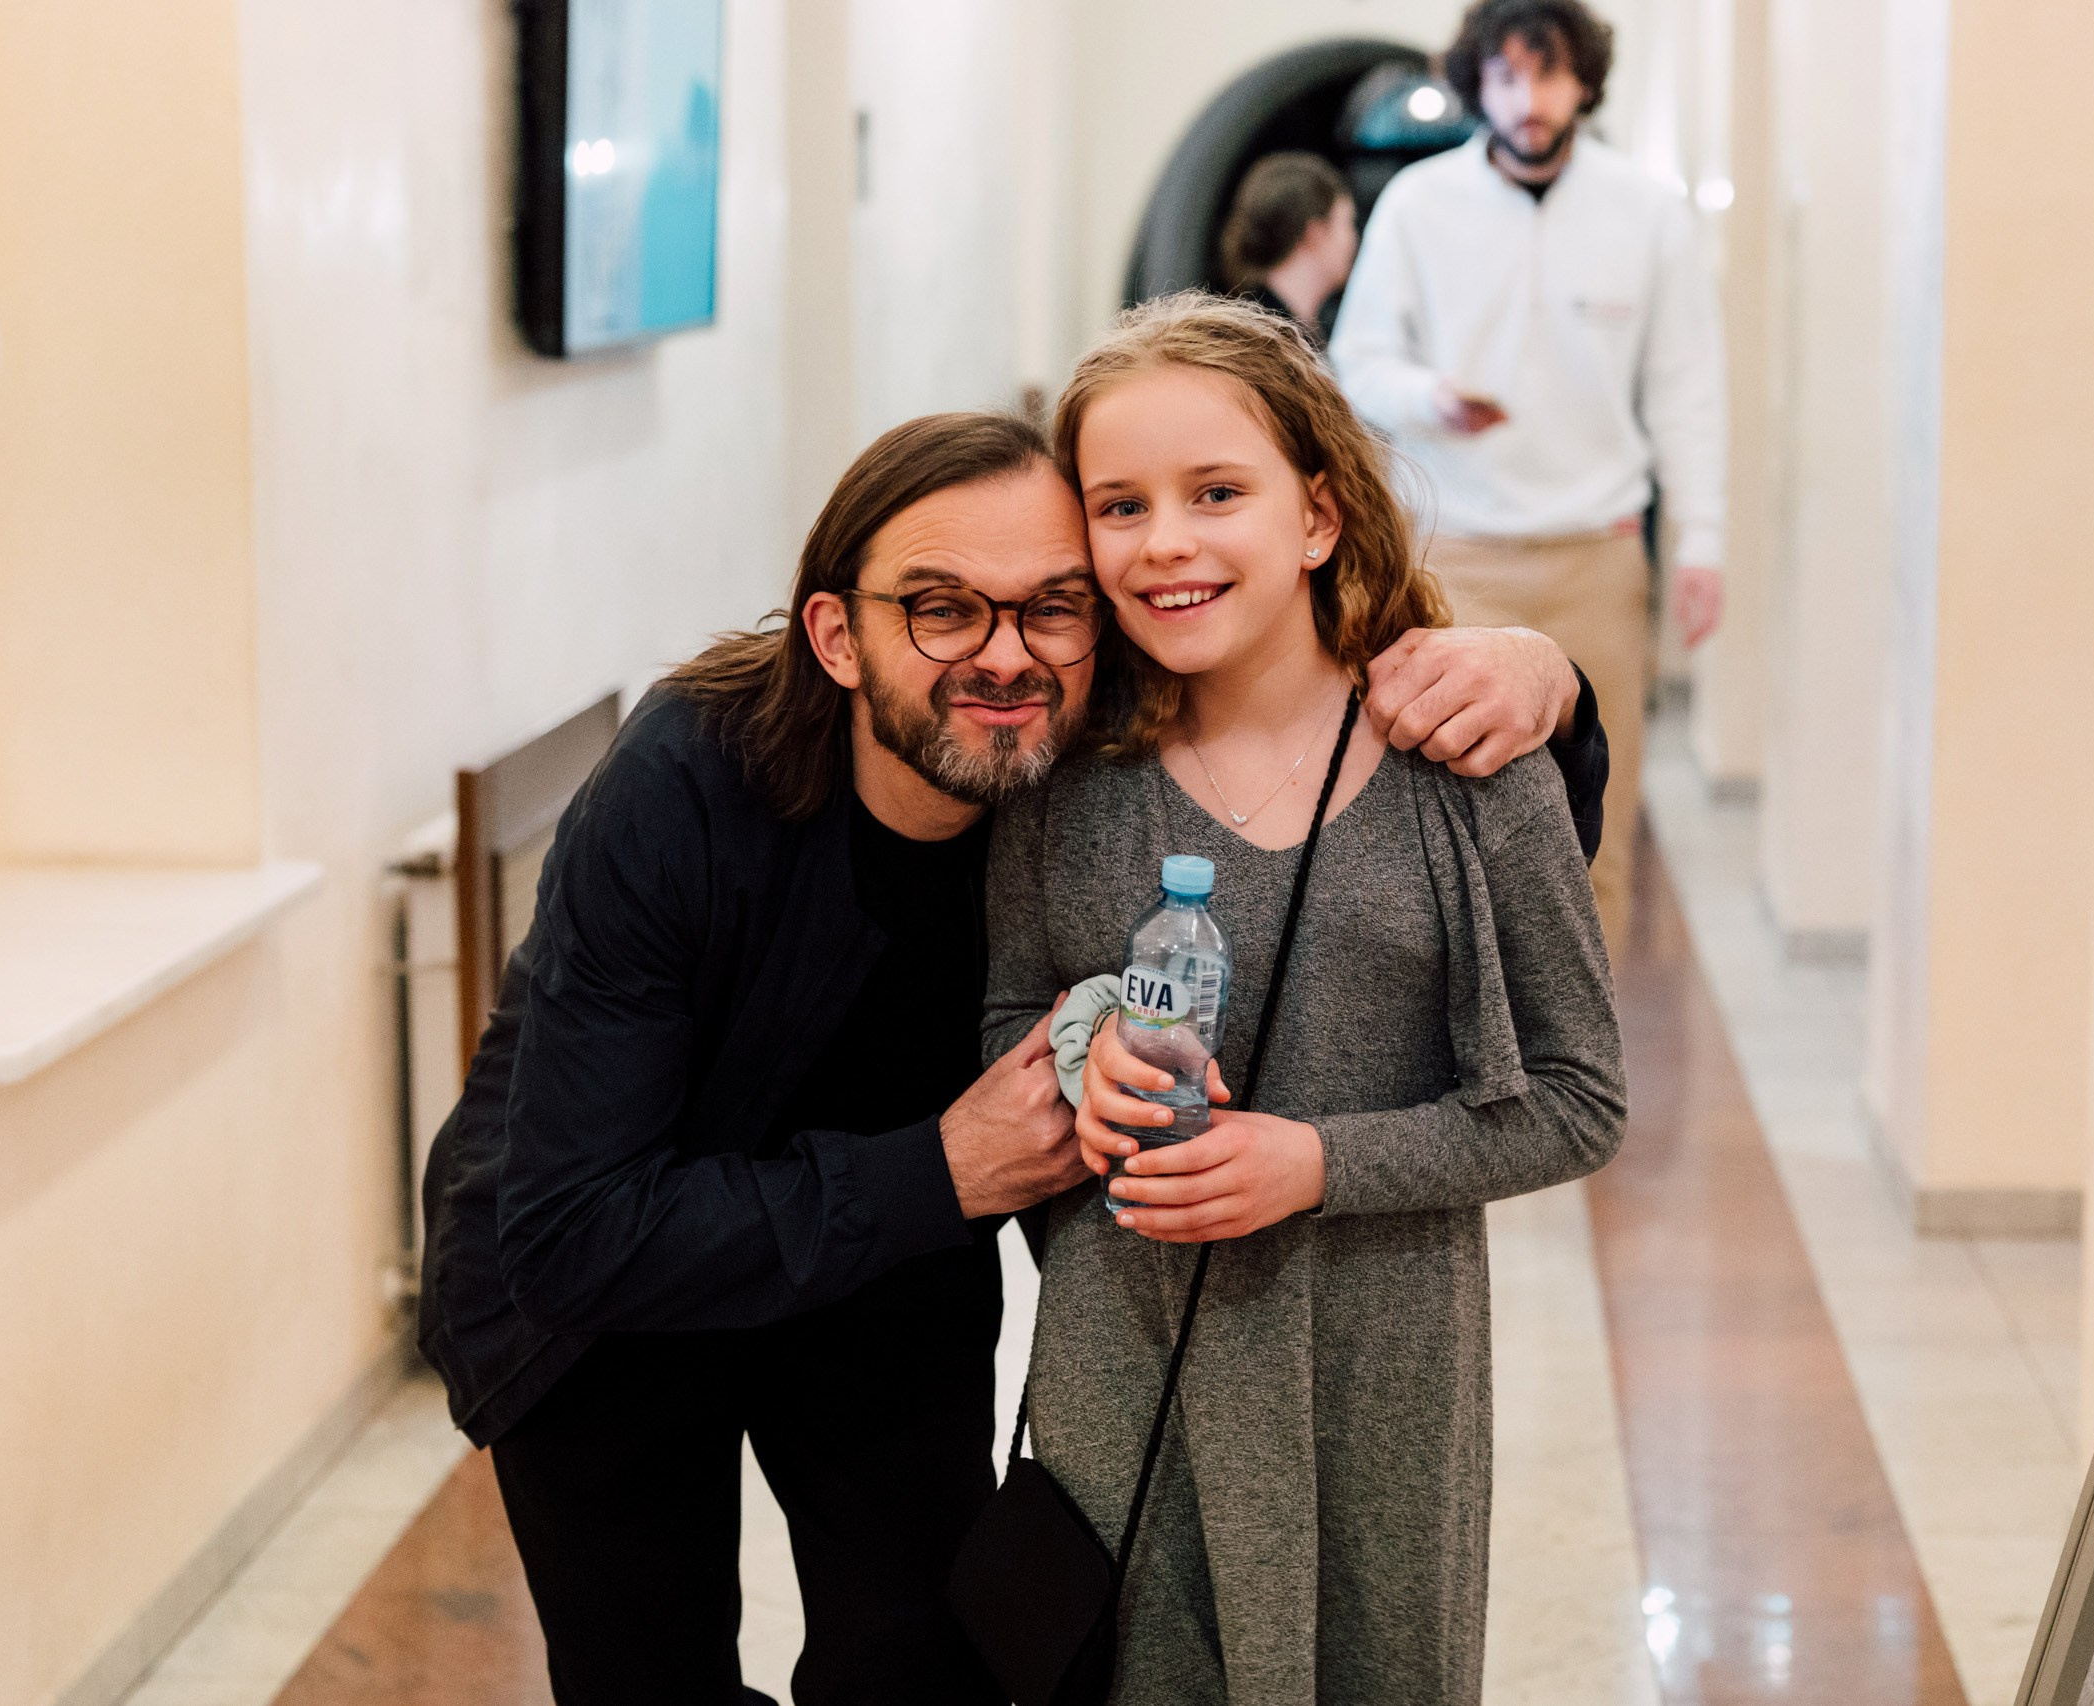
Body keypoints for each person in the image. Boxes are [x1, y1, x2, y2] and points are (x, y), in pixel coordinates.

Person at [416, 411, 1608, 1705]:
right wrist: (941, 1168)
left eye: (1051, 605)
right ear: (836, 635)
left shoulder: (1066, 761)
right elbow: (570, 1228)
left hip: (881, 1273)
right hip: (604, 1295)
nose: (1003, 656)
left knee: (931, 1666)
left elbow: (1394, 845)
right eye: (940, 608)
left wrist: (1551, 682)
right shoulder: (681, 791)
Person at [983, 294, 1627, 1704]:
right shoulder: (1063, 773)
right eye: (1120, 503)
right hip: (1129, 1363)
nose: (1166, 542)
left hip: (1382, 1376)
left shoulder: (1465, 760)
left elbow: (1579, 1101)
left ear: (1320, 513)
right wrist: (1079, 1055)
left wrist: (1317, 1161)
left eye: (1218, 492)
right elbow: (1003, 1023)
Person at [1328, 0, 1726, 951]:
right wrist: (1433, 397)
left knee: (1595, 832)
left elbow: (1689, 391)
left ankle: (1583, 1087)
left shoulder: (1647, 213)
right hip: (1450, 555)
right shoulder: (1420, 205)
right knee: (1440, 829)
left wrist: (1704, 543)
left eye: (1547, 75)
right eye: (1505, 76)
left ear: (1583, 82)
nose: (1529, 99)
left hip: (1595, 555)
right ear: (1477, 87)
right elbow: (1357, 364)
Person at [1219, 151, 1358, 346]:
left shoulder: (1280, 323)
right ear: (1315, 233)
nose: (1353, 239)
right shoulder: (1264, 338)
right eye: (1347, 224)